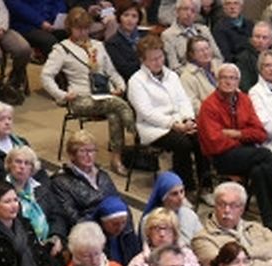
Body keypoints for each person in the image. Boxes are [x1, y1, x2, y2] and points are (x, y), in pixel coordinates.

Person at [42, 9, 133, 176]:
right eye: (78, 28)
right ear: (70, 28)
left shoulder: (98, 46)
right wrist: (61, 95)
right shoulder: (62, 49)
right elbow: (46, 76)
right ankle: (135, 130)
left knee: (114, 113)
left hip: (105, 96)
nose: (83, 32)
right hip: (80, 98)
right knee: (119, 107)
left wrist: (121, 86)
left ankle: (116, 158)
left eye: (86, 28)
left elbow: (111, 71)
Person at [198, 63, 272, 229]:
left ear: (238, 81)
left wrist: (237, 134)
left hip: (245, 153)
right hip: (222, 157)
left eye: (232, 78)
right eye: (224, 77)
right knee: (265, 154)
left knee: (258, 171)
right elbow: (215, 142)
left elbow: (260, 132)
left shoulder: (244, 100)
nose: (228, 81)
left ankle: (270, 222)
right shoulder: (209, 105)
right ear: (217, 80)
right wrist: (245, 137)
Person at [128, 35, 199, 189]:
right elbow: (147, 113)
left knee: (200, 137)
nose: (158, 62)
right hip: (154, 128)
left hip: (178, 122)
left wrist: (188, 119)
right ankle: (184, 187)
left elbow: (183, 100)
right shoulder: (136, 81)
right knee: (183, 144)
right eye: (153, 59)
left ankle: (205, 186)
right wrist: (172, 125)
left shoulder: (172, 76)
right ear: (143, 60)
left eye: (160, 57)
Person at [48, 131, 122, 244]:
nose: (89, 155)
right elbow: (72, 218)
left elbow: (118, 202)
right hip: (87, 237)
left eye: (92, 150)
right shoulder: (60, 181)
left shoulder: (102, 175)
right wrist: (104, 222)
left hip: (114, 229)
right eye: (83, 151)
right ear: (72, 155)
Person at [134, 180, 207, 266]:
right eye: (174, 194)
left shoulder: (188, 256)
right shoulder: (140, 264)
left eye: (182, 191)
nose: (181, 197)